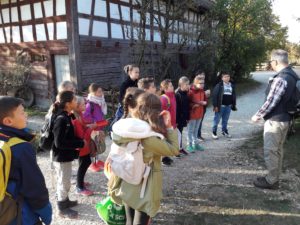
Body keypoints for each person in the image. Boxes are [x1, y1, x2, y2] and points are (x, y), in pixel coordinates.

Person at [108, 92, 179, 225]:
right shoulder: (148, 138)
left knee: (129, 219)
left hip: (126, 180)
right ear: (155, 112)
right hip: (143, 188)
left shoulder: (125, 129)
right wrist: (169, 126)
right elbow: (174, 149)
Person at [0, 96, 52, 225]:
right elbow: (34, 187)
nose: (26, 115)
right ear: (8, 121)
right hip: (21, 215)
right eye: (22, 113)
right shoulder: (21, 147)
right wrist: (46, 213)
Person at [251, 49, 298, 189]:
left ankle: (271, 181)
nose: (271, 63)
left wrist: (257, 115)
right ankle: (274, 177)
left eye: (271, 61)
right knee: (278, 150)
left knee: (271, 151)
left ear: (276, 61)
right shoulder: (293, 75)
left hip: (275, 121)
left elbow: (271, 101)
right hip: (286, 119)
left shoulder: (281, 78)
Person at [51, 91, 85, 218]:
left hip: (65, 156)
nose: (77, 102)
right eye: (75, 100)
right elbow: (59, 143)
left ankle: (65, 201)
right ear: (68, 103)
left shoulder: (67, 115)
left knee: (65, 180)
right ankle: (61, 208)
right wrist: (79, 143)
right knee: (64, 182)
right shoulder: (61, 119)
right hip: (61, 157)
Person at [73, 96, 96, 196]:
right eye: (83, 104)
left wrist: (89, 125)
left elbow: (83, 125)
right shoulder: (76, 120)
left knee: (84, 163)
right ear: (77, 106)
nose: (85, 105)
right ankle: (79, 187)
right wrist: (90, 128)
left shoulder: (79, 115)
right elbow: (82, 136)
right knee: (84, 164)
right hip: (81, 147)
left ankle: (80, 181)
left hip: (83, 146)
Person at [83, 83, 107, 172]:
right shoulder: (90, 103)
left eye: (101, 91)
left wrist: (101, 122)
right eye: (99, 92)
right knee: (92, 146)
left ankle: (97, 161)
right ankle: (92, 164)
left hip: (99, 127)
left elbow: (100, 113)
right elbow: (85, 116)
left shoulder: (100, 101)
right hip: (93, 128)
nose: (101, 93)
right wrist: (95, 122)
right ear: (93, 93)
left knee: (98, 145)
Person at [212, 71, 237, 139]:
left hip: (228, 106)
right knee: (216, 120)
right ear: (222, 78)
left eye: (228, 76)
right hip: (220, 106)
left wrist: (233, 104)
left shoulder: (231, 85)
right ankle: (214, 132)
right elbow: (214, 96)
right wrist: (215, 106)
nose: (227, 78)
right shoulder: (219, 85)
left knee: (225, 120)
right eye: (225, 77)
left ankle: (224, 131)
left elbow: (233, 95)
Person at [186, 75, 206, 152]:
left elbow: (205, 100)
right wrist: (194, 105)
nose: (202, 85)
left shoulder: (202, 91)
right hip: (192, 114)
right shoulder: (190, 92)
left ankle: (196, 144)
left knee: (196, 130)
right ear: (195, 83)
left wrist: (204, 102)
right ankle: (189, 145)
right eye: (200, 83)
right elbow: (187, 103)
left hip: (200, 113)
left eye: (203, 83)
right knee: (190, 130)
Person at [160, 79, 177, 165]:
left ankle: (166, 156)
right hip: (165, 124)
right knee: (165, 141)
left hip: (172, 123)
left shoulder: (173, 96)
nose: (173, 87)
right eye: (170, 86)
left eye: (172, 85)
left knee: (169, 141)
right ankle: (163, 158)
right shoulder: (163, 98)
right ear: (165, 89)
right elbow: (162, 113)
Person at [175, 76, 190, 155]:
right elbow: (176, 109)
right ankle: (176, 150)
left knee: (181, 132)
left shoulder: (186, 94)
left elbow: (187, 107)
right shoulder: (177, 94)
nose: (188, 86)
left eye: (188, 84)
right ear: (181, 85)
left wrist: (187, 117)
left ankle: (180, 148)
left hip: (183, 118)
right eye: (186, 84)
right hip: (178, 119)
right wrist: (176, 120)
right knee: (178, 134)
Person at [195, 71, 211, 140]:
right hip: (197, 107)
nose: (203, 76)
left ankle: (198, 135)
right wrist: (205, 93)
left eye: (204, 74)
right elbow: (195, 95)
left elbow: (207, 96)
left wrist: (208, 94)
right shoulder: (195, 85)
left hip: (203, 107)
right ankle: (195, 137)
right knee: (195, 123)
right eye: (201, 74)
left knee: (200, 121)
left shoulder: (205, 84)